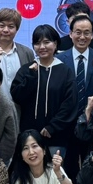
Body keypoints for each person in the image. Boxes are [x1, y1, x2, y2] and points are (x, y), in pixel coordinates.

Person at [10, 25, 78, 156]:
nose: (42, 47)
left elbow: (70, 104)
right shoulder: (27, 69)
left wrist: (53, 126)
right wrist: (31, 77)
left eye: (46, 42)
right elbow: (16, 96)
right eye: (37, 43)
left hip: (56, 136)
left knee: (55, 168)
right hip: (29, 136)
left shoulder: (65, 71)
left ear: (55, 44)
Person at [56, 12, 93, 103]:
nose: (82, 37)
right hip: (66, 110)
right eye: (78, 32)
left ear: (92, 35)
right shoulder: (59, 60)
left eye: (86, 33)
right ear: (70, 34)